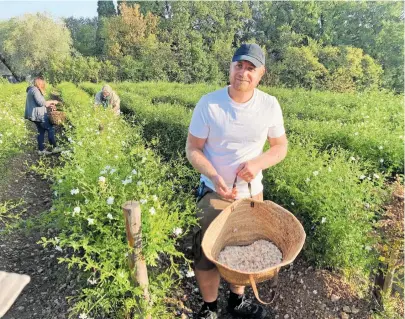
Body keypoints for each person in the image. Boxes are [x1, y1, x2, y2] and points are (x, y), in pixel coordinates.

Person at [186, 43, 288, 319]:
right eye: (239, 66)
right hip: (214, 193)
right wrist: (214, 175)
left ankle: (237, 301)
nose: (243, 73)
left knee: (246, 248)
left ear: (261, 74)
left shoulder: (269, 105)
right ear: (230, 68)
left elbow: (280, 147)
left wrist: (257, 164)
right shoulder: (209, 103)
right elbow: (192, 148)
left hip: (251, 194)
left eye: (251, 68)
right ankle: (209, 309)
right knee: (206, 252)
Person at [24, 76, 61, 155]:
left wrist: (49, 104)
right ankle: (55, 147)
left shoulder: (32, 90)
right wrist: (53, 101)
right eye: (43, 83)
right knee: (50, 128)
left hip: (34, 115)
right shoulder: (35, 90)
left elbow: (40, 102)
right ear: (40, 83)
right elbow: (41, 103)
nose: (44, 85)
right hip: (38, 115)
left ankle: (41, 150)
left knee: (41, 131)